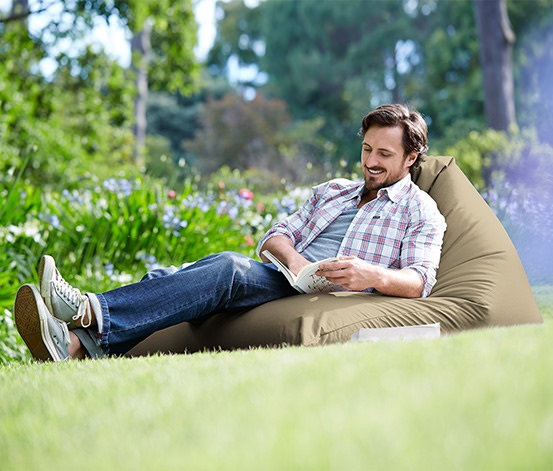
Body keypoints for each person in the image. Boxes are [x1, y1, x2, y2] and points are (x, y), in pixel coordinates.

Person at [14, 103, 447, 362]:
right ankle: (72, 345)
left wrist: (371, 275)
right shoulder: (334, 191)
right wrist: (296, 263)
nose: (370, 161)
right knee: (169, 276)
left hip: (339, 295)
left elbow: (421, 280)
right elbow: (276, 234)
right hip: (289, 280)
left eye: (384, 154)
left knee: (226, 269)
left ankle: (88, 310)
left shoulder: (421, 211)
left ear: (411, 158)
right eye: (367, 149)